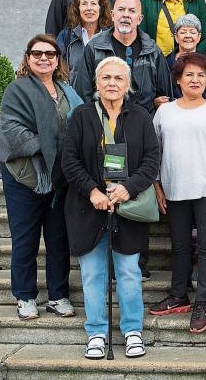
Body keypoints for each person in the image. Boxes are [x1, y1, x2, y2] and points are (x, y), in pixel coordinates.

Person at [61, 57, 160, 359]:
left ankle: (132, 331)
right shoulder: (81, 115)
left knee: (129, 273)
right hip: (88, 207)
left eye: (118, 78)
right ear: (97, 82)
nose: (112, 83)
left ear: (127, 84)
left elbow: (152, 160)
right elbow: (69, 160)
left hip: (127, 208)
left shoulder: (140, 116)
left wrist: (128, 188)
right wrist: (93, 191)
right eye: (106, 78)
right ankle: (96, 333)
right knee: (92, 274)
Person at [0, 35, 83, 321]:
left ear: (58, 60)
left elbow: (81, 123)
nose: (43, 58)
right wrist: (57, 144)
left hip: (59, 176)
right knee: (26, 238)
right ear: (28, 58)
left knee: (58, 238)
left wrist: (70, 149)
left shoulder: (68, 91)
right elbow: (12, 132)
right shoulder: (17, 90)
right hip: (25, 176)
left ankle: (58, 296)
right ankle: (25, 296)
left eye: (50, 54)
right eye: (37, 53)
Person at [148, 53, 206, 333]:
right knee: (180, 245)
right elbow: (155, 151)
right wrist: (157, 185)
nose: (195, 80)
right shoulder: (164, 112)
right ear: (178, 80)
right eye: (189, 75)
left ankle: (202, 302)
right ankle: (178, 295)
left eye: (201, 76)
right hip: (174, 188)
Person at [75, 0, 174, 115]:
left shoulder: (153, 51)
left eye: (132, 11)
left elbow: (165, 97)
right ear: (112, 15)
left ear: (140, 19)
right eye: (121, 9)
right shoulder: (94, 48)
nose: (126, 15)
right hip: (104, 122)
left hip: (143, 122)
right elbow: (83, 93)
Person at [56, 0, 112, 88]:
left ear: (101, 8)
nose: (89, 8)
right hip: (73, 96)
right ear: (78, 8)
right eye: (84, 4)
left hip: (102, 95)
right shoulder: (66, 36)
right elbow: (57, 70)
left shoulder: (110, 37)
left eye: (93, 4)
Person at [166, 14, 206, 104]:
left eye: (192, 32)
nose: (188, 36)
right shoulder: (165, 63)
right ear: (176, 37)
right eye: (183, 32)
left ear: (199, 37)